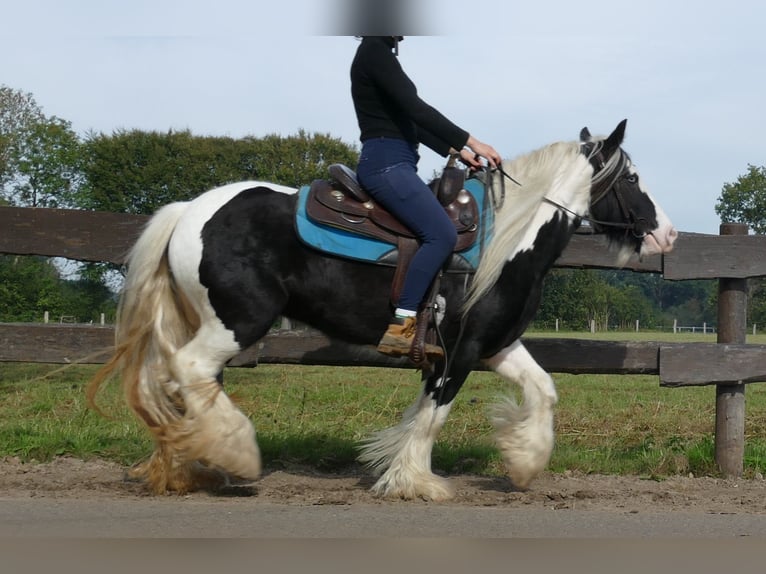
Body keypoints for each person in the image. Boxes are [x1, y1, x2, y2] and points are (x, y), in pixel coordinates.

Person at [351, 35, 502, 359]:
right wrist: (473, 142)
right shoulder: (375, 52)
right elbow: (416, 109)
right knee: (441, 234)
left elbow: (408, 122)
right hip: (386, 165)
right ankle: (401, 327)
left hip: (396, 162)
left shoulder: (377, 55)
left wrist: (458, 151)